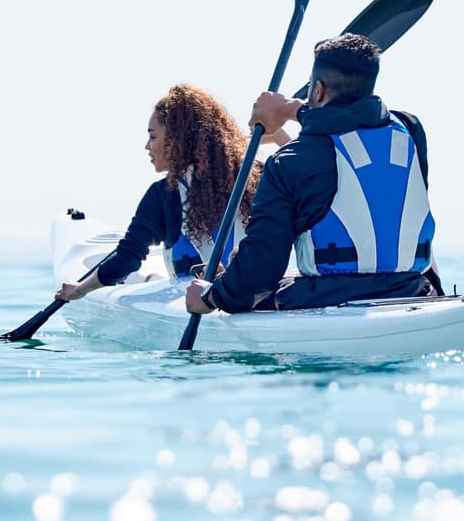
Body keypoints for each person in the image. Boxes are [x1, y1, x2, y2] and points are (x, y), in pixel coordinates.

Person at [185, 33, 438, 315]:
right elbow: (359, 122)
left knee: (242, 277)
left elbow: (260, 271)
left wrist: (212, 296)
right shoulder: (411, 132)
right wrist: (290, 110)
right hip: (412, 290)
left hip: (326, 301)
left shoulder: (291, 161)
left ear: (317, 90)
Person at [55, 84, 288, 302]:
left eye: (153, 136)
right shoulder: (260, 174)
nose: (147, 146)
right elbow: (306, 175)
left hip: (197, 304)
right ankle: (152, 279)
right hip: (260, 299)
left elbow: (127, 258)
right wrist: (278, 136)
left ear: (178, 141)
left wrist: (80, 289)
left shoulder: (164, 194)